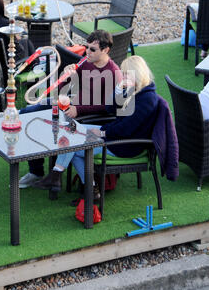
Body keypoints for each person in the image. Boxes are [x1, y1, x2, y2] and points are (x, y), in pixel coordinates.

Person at [27, 55, 160, 202]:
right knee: (68, 129)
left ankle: (70, 180)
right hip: (114, 132)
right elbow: (110, 109)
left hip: (126, 145)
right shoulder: (132, 90)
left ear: (138, 74)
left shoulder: (147, 100)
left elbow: (126, 129)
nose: (123, 76)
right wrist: (118, 90)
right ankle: (85, 187)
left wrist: (102, 132)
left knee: (73, 146)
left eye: (126, 73)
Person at [19, 29, 122, 188]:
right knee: (29, 113)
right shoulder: (87, 61)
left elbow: (108, 107)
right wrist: (67, 74)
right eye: (87, 47)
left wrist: (78, 110)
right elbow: (68, 83)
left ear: (106, 50)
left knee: (36, 121)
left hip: (85, 115)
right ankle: (36, 170)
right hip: (69, 103)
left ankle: (38, 172)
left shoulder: (113, 73)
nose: (87, 52)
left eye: (92, 49)